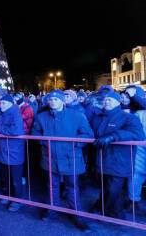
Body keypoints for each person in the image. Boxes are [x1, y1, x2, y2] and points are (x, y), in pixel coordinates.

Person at [32, 89, 94, 232]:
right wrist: (45, 143)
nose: (53, 102)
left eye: (56, 99)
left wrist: (75, 144)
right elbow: (35, 133)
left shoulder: (77, 116)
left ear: (63, 101)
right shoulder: (41, 117)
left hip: (71, 158)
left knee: (72, 187)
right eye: (50, 100)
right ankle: (52, 209)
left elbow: (88, 134)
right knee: (52, 186)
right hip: (50, 158)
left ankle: (77, 214)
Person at [90, 91, 145, 219]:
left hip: (119, 160)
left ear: (118, 102)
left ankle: (111, 212)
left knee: (114, 189)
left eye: (110, 99)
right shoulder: (98, 117)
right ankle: (106, 208)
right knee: (105, 187)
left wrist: (114, 136)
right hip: (101, 160)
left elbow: (138, 134)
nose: (106, 101)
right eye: (105, 99)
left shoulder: (128, 117)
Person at [0, 94, 26, 212]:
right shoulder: (0, 113)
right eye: (1, 103)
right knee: (5, 176)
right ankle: (8, 195)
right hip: (3, 149)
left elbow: (17, 130)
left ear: (11, 104)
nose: (1, 105)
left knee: (15, 178)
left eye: (4, 103)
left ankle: (17, 200)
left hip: (13, 150)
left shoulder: (15, 113)